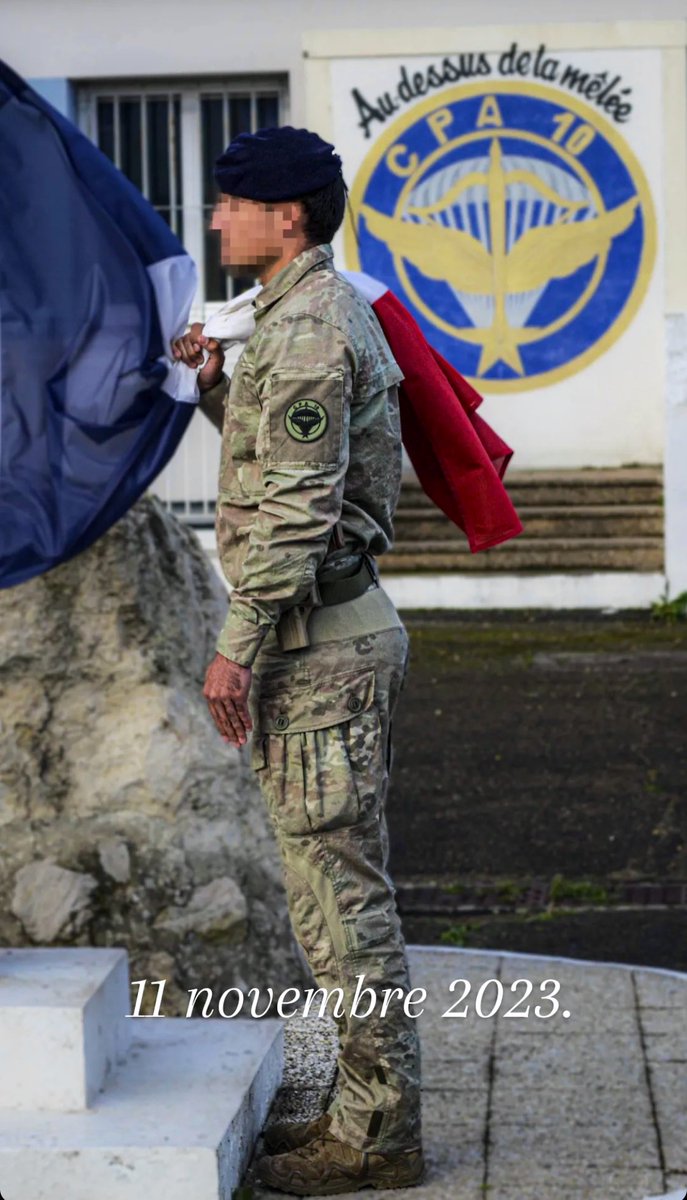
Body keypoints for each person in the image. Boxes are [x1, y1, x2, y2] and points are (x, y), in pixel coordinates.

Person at [172, 125, 424, 1195]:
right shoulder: (287, 317)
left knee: (343, 904)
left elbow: (297, 510)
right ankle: (362, 1110)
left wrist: (232, 650)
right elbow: (282, 454)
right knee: (326, 902)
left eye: (233, 202)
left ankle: (380, 1136)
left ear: (288, 216)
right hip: (314, 639)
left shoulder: (313, 325)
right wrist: (217, 387)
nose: (216, 218)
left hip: (321, 644)